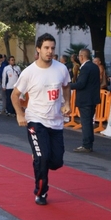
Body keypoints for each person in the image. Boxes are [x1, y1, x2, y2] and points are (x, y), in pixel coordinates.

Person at [11, 33, 71, 206]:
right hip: (36, 120)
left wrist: (66, 102)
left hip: (56, 121)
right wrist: (20, 114)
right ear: (38, 49)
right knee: (42, 158)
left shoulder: (61, 69)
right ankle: (41, 192)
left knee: (56, 162)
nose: (50, 51)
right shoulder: (29, 72)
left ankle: (38, 156)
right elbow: (15, 95)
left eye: (52, 48)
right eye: (46, 48)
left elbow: (66, 86)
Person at [70, 49, 100, 153]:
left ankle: (86, 145)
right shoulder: (95, 67)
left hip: (85, 99)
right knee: (89, 121)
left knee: (86, 122)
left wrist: (67, 85)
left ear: (82, 56)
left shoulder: (85, 68)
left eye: (79, 56)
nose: (78, 58)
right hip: (92, 98)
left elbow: (81, 84)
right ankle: (89, 143)